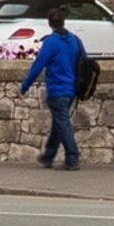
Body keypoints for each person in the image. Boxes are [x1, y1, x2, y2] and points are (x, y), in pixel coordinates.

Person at [19, 11, 87, 171]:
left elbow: (37, 66)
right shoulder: (75, 40)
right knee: (59, 123)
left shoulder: (51, 42)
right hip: (71, 89)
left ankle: (72, 157)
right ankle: (48, 156)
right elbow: (84, 60)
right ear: (64, 22)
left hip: (57, 89)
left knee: (63, 124)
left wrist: (24, 87)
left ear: (50, 24)